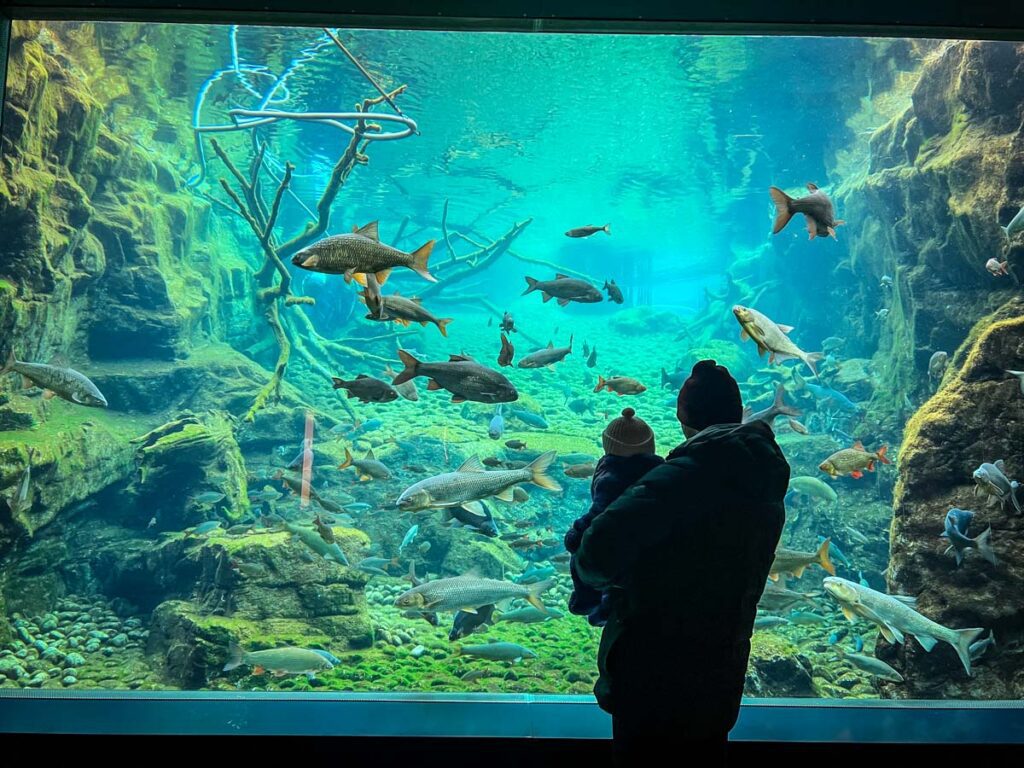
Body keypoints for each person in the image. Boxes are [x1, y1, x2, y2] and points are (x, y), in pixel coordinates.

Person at [575, 359, 790, 767]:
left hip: (652, 673)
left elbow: (595, 556)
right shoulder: (764, 478)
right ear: (736, 413)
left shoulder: (682, 477)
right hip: (719, 670)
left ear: (682, 417)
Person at [564, 408, 664, 627]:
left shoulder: (612, 477)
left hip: (615, 539)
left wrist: (576, 532)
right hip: (650, 540)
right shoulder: (661, 469)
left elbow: (599, 513)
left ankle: (586, 599)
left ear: (609, 446)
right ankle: (607, 607)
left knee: (582, 553)